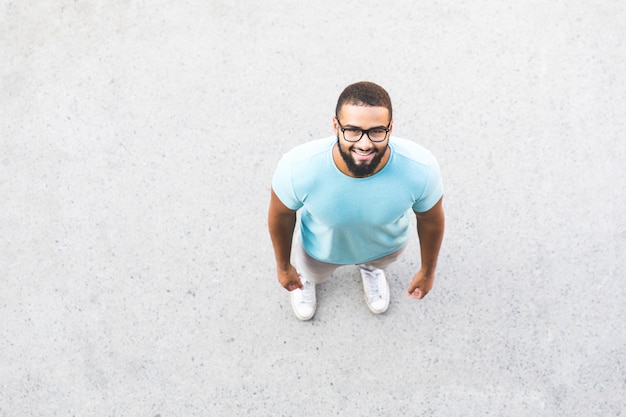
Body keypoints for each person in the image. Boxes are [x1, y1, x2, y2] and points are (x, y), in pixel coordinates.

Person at [268, 81, 445, 320]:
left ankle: (370, 270)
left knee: (376, 264)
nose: (364, 144)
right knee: (314, 274)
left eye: (376, 131)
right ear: (335, 126)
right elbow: (280, 215)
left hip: (385, 247)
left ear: (390, 128)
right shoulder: (297, 167)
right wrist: (284, 266)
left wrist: (428, 270)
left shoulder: (421, 168)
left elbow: (431, 219)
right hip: (320, 251)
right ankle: (307, 280)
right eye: (352, 130)